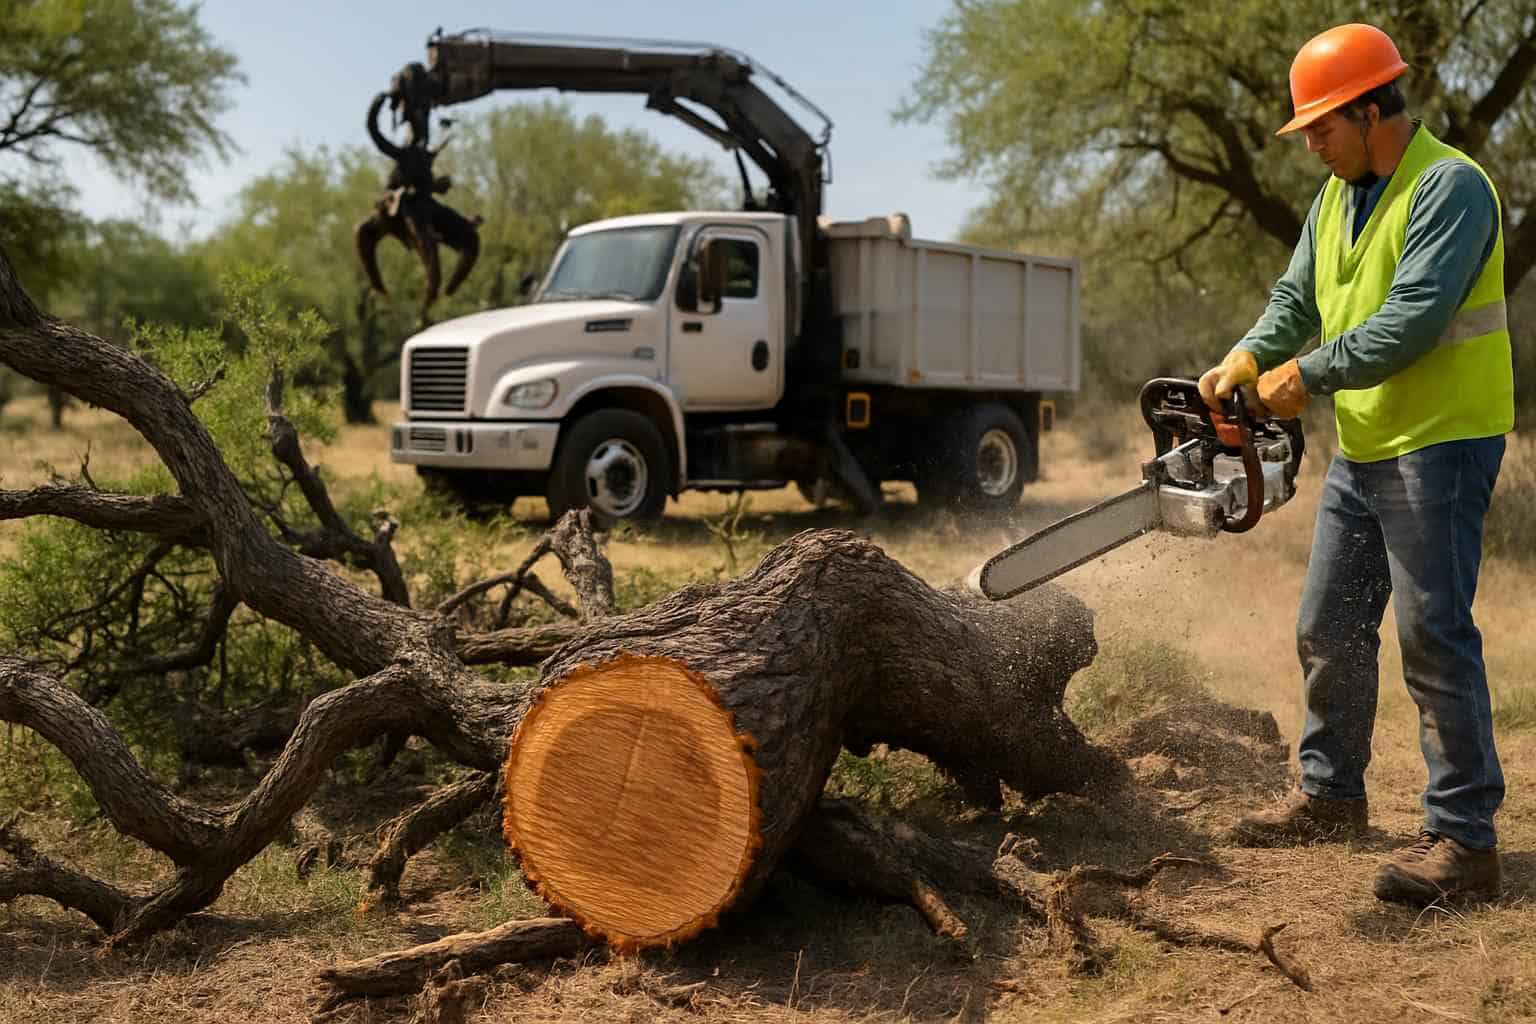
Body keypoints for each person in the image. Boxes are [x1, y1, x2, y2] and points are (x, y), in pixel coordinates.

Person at [1198, 22, 1514, 907]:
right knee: (1326, 625)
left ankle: (1464, 839)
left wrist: (1310, 375)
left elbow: (1411, 319)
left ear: (1373, 109)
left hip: (1443, 441)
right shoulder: (1338, 196)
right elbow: (1297, 298)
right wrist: (1250, 358)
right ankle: (1331, 794)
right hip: (1369, 443)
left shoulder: (1450, 188)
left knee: (1433, 636)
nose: (1312, 148)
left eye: (1322, 130)